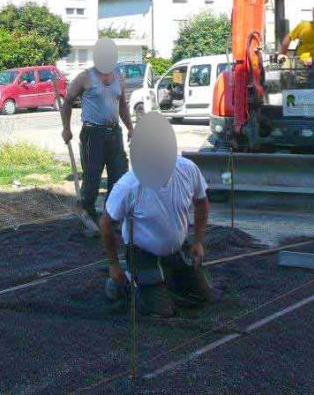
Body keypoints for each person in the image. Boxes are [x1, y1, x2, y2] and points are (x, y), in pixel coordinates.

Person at [100, 113, 213, 317]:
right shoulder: (128, 186)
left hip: (176, 248)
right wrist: (113, 265)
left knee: (202, 297)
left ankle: (165, 276)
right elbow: (106, 224)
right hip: (142, 250)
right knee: (162, 312)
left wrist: (197, 242)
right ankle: (128, 279)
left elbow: (202, 202)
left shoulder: (188, 170)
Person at [61, 38, 133, 222]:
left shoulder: (119, 77)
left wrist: (130, 128)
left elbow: (123, 106)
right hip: (93, 135)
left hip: (114, 133)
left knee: (118, 177)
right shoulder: (85, 77)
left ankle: (111, 218)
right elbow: (67, 102)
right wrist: (66, 128)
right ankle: (88, 217)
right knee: (92, 178)